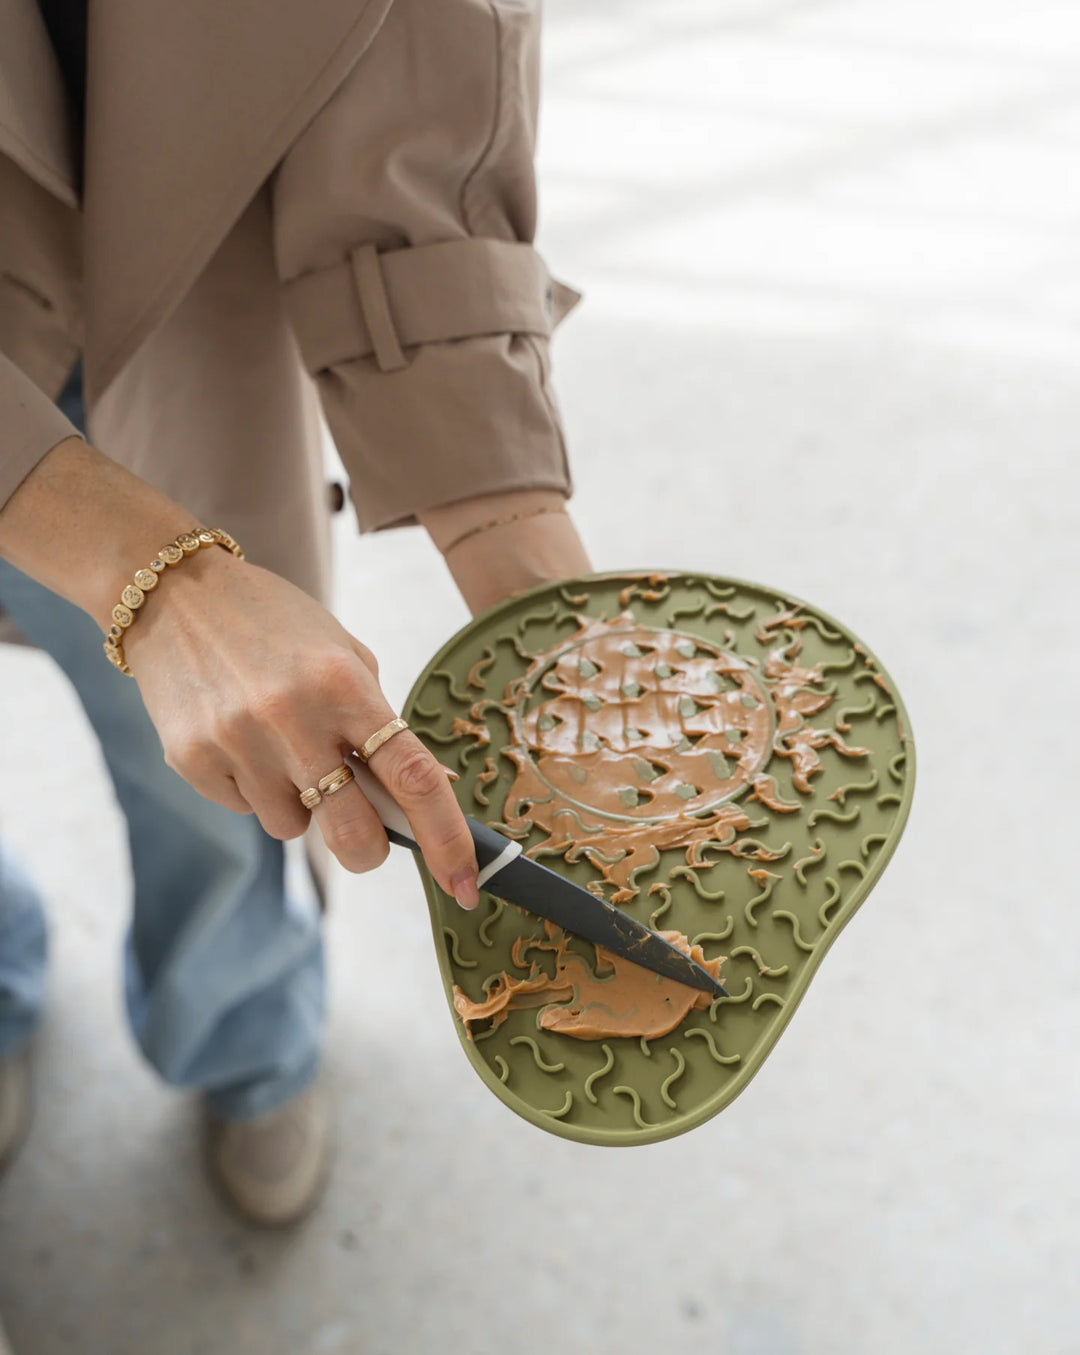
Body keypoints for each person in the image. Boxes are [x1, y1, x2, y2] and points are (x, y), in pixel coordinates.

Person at [0, 0, 592, 1234]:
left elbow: (417, 76)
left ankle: (242, 1035)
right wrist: (155, 575)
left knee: (216, 794)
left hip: (158, 329)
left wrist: (515, 547)